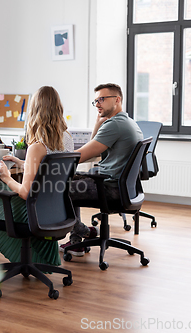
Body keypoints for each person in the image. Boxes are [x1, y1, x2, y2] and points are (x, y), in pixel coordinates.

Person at [0, 86, 74, 266]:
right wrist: (23, 164)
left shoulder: (37, 146)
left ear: (34, 111)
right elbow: (49, 173)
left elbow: (26, 193)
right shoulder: (67, 138)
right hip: (55, 211)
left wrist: (5, 176)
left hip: (34, 213)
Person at [59, 83, 143, 257]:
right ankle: (77, 240)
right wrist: (98, 123)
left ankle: (80, 230)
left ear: (117, 100)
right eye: (96, 100)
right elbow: (92, 151)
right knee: (71, 180)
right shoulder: (127, 121)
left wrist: (44, 159)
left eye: (102, 99)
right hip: (122, 188)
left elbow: (79, 156)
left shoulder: (114, 125)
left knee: (58, 187)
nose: (97, 104)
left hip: (109, 188)